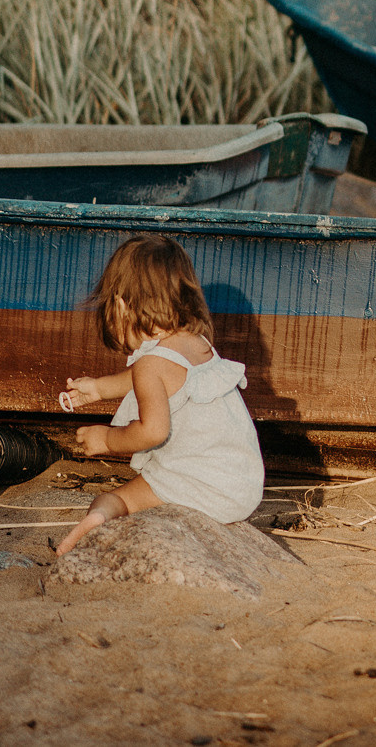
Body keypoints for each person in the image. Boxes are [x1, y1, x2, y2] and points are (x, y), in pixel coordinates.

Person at [55, 234, 265, 554]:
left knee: (119, 497)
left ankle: (98, 518)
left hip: (202, 487)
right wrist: (100, 389)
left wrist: (107, 439)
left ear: (122, 305)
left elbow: (153, 431)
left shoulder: (149, 365)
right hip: (244, 486)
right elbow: (160, 377)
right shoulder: (197, 342)